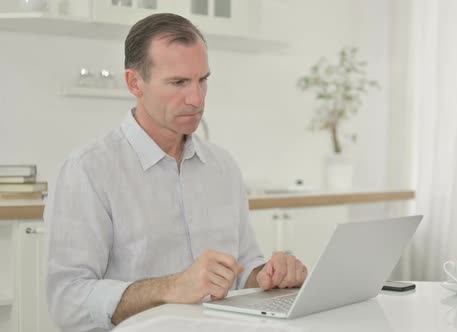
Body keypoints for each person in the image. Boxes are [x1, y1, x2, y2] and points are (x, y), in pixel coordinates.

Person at [44, 13, 308, 332]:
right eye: (178, 82)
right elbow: (66, 302)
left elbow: (242, 273)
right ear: (134, 82)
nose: (196, 99)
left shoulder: (223, 167)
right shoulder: (87, 171)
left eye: (202, 80)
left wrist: (268, 275)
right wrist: (171, 289)